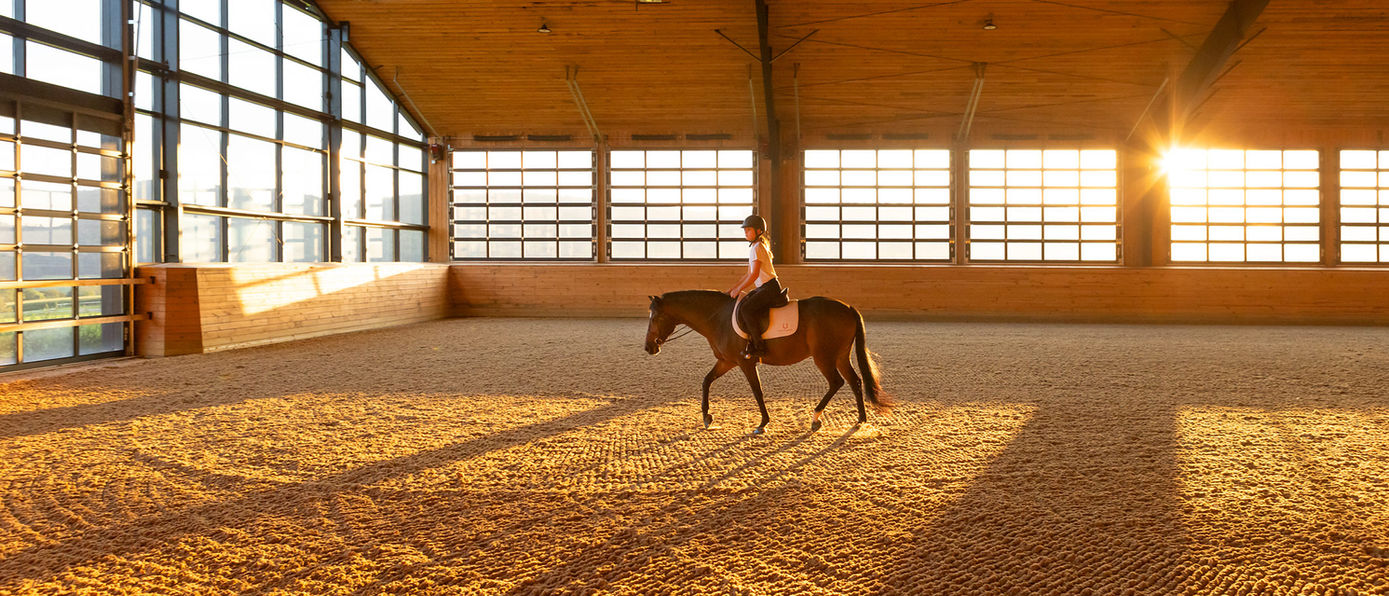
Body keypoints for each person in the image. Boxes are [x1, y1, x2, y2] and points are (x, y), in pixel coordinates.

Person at [728, 214, 789, 359]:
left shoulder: (757, 248)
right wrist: (733, 288)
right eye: (745, 230)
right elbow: (748, 274)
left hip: (769, 288)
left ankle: (759, 346)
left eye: (748, 229)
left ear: (759, 231)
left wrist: (739, 289)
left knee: (746, 309)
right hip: (764, 287)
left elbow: (754, 275)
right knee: (744, 303)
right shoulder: (755, 247)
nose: (745, 232)